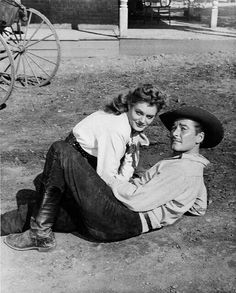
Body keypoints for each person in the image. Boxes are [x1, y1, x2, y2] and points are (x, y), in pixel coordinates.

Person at [2, 106, 224, 252]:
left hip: (123, 218)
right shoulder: (190, 168)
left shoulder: (183, 171)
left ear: (200, 137)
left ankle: (39, 234)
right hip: (117, 219)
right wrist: (173, 207)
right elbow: (199, 207)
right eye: (174, 128)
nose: (174, 133)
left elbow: (137, 201)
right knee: (47, 209)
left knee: (61, 150)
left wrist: (110, 181)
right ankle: (35, 228)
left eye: (183, 129)